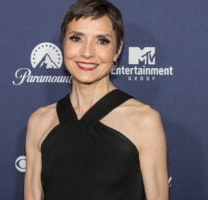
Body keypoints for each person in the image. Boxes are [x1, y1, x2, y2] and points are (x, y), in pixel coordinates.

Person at [24, 0, 169, 199]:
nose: (87, 52)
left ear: (117, 50)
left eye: (102, 41)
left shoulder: (145, 120)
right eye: (76, 38)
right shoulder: (39, 121)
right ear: (63, 44)